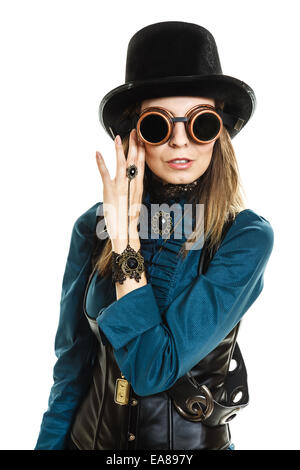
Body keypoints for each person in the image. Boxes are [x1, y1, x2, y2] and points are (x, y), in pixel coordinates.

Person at [34, 21, 274, 451]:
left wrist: (126, 245)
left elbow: (152, 371)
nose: (180, 142)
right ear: (133, 134)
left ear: (219, 132)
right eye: (158, 126)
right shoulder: (92, 226)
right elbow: (71, 369)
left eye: (201, 123)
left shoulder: (245, 236)